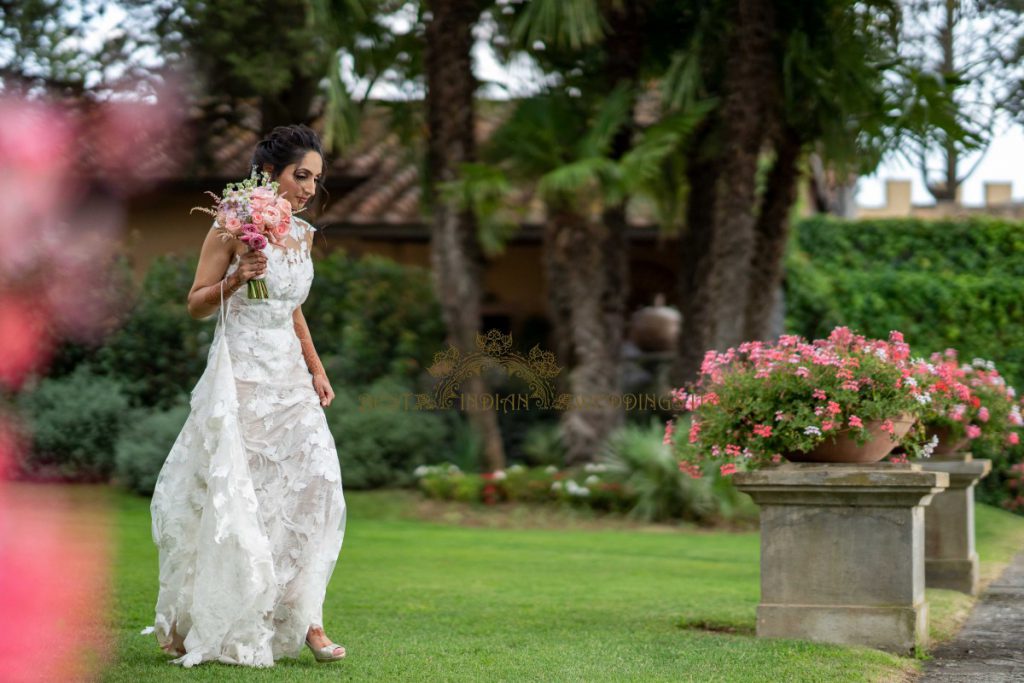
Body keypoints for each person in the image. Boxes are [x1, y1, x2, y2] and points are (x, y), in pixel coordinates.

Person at [147, 124, 347, 667]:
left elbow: (291, 307)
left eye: (315, 179)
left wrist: (316, 368)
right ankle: (223, 616)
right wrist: (236, 280)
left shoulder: (302, 235)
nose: (308, 187)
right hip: (242, 378)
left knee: (317, 488)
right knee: (246, 495)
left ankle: (308, 616)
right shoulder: (231, 224)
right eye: (300, 175)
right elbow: (195, 303)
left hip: (290, 381)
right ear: (270, 174)